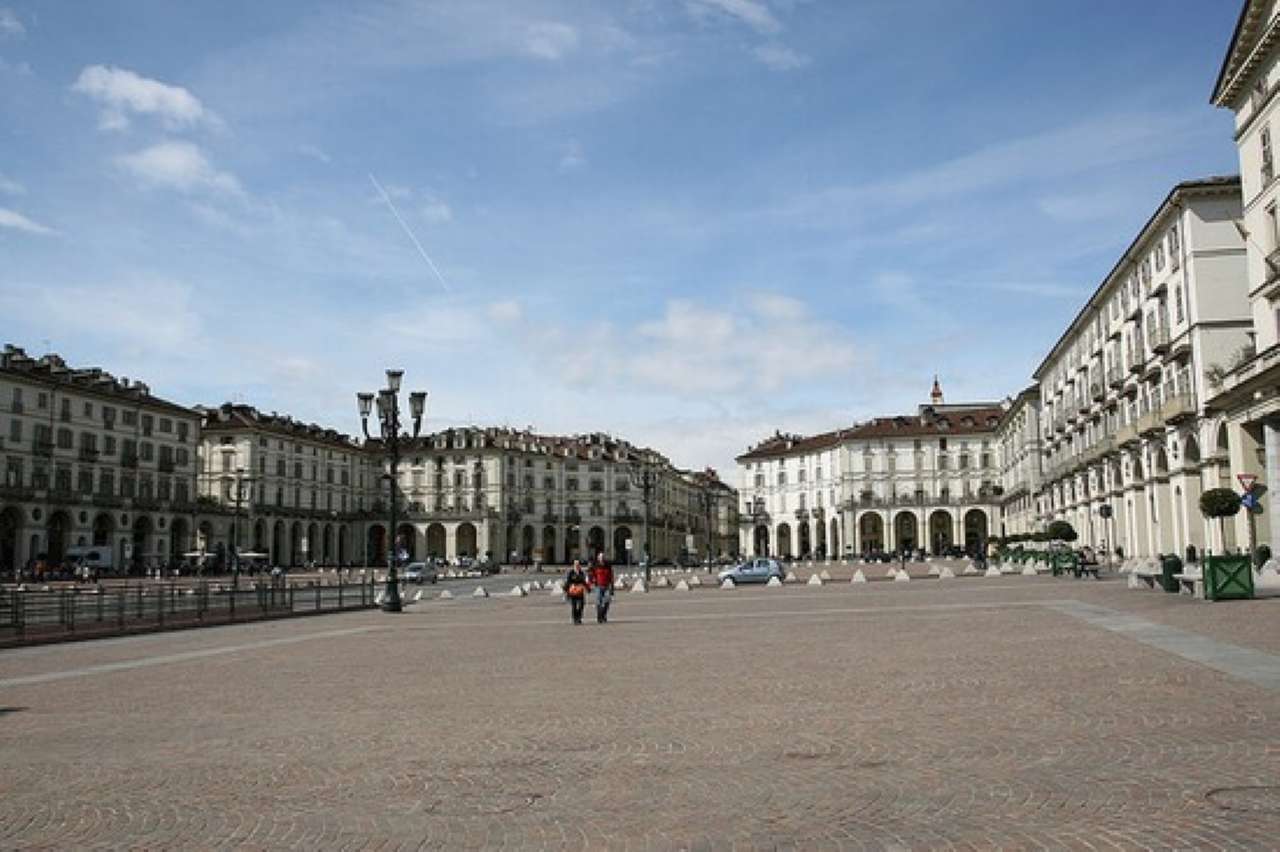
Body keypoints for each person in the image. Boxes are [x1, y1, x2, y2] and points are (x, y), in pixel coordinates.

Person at [590, 552, 615, 623]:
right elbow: (591, 575)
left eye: (603, 557)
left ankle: (604, 614)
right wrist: (592, 581)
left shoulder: (608, 565)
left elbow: (611, 576)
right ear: (598, 558)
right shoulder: (595, 566)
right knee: (599, 602)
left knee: (607, 601)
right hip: (598, 586)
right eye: (600, 557)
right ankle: (599, 616)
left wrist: (612, 587)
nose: (602, 558)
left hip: (607, 586)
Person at [564, 560, 588, 625]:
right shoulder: (571, 572)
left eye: (578, 564)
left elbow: (584, 581)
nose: (577, 566)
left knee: (581, 605)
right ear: (574, 565)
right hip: (573, 591)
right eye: (575, 564)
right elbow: (568, 582)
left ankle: (579, 617)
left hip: (580, 591)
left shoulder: (581, 573)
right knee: (574, 606)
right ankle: (575, 619)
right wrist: (566, 590)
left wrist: (588, 588)